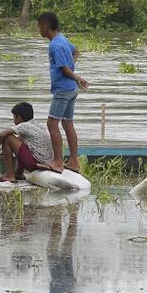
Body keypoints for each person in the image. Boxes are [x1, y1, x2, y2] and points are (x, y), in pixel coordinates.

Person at [38, 12, 89, 173]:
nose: (38, 30)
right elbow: (76, 52)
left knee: (52, 123)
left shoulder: (54, 44)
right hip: (71, 89)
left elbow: (64, 69)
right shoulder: (62, 39)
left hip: (62, 89)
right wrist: (71, 70)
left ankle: (58, 162)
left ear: (45, 27)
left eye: (39, 26)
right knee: (67, 123)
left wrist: (75, 76)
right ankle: (74, 161)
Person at [0, 102, 54, 183]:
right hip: (47, 163)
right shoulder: (36, 125)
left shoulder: (24, 125)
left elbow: (1, 135)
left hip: (36, 163)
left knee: (8, 138)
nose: (13, 120)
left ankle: (9, 175)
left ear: (19, 117)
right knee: (21, 141)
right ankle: (19, 173)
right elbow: (21, 143)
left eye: (14, 117)